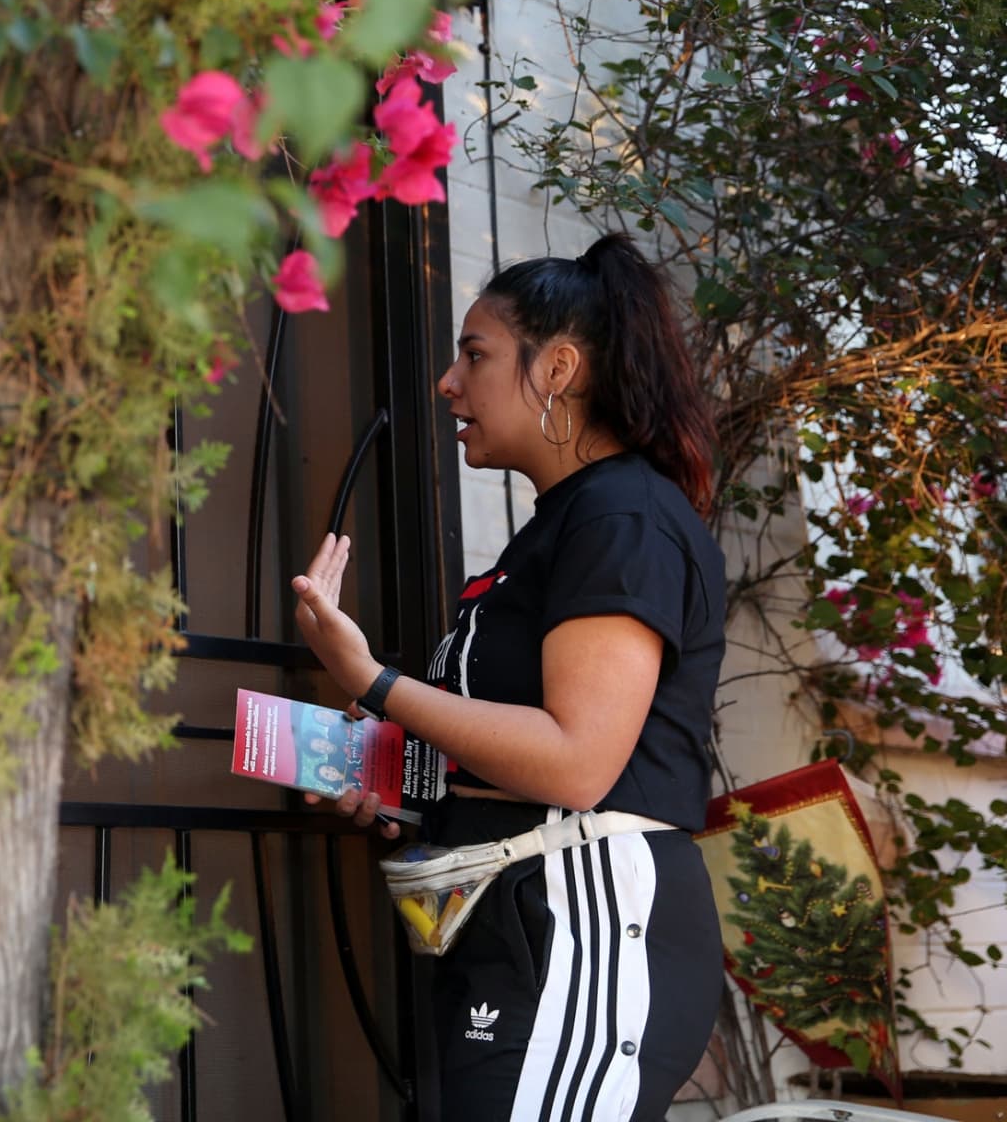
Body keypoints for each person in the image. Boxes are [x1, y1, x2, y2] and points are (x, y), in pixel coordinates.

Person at [292, 233, 726, 1122]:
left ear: (557, 368)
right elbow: (516, 758)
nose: (448, 382)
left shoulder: (625, 516)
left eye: (474, 354)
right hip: (526, 929)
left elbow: (575, 764)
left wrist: (372, 680)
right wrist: (386, 783)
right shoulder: (565, 525)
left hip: (586, 923)